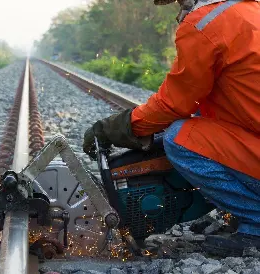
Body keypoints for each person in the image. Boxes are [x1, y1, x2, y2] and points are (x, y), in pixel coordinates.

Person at [83, 0, 260, 257]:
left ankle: (256, 223)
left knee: (179, 138)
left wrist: (116, 129)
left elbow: (173, 104)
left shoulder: (206, 23)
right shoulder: (249, 10)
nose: (180, 8)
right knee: (198, 119)